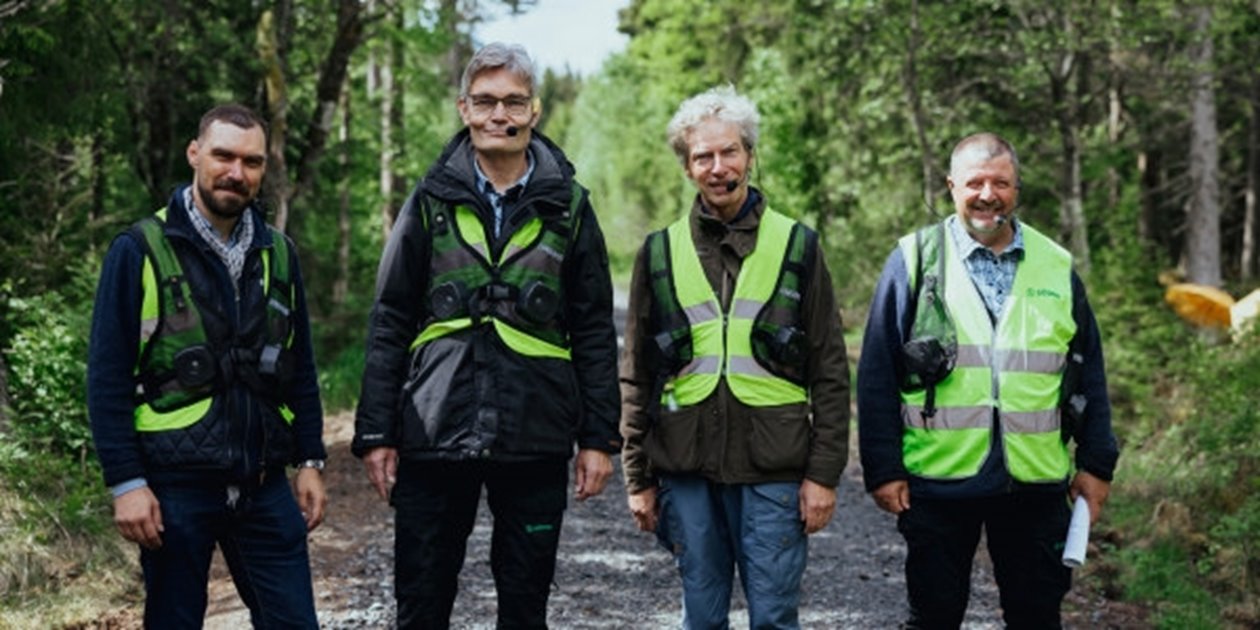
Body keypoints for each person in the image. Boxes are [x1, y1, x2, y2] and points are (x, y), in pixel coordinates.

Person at [352, 42, 621, 629]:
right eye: (486, 102)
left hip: (536, 430)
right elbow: (391, 317)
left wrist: (599, 436)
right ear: (464, 109)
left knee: (525, 602)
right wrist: (376, 432)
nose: (500, 114)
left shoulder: (570, 207)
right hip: (434, 427)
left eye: (514, 102)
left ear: (535, 111)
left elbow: (595, 327)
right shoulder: (428, 200)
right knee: (422, 599)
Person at [857, 132, 1120, 629]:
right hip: (937, 480)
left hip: (1035, 483)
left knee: (1037, 616)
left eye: (1000, 183)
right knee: (934, 616)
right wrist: (883, 468)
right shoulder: (913, 259)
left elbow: (1088, 370)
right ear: (951, 186)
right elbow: (876, 373)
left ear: (1016, 189)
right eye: (974, 182)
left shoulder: (1055, 265)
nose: (986, 194)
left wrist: (1096, 462)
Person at [87, 103, 327, 629]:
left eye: (251, 162)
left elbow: (300, 367)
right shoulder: (139, 250)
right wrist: (126, 483)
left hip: (263, 484)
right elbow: (106, 378)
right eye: (223, 156)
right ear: (195, 154)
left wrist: (310, 459)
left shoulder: (278, 255)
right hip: (175, 489)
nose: (236, 173)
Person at [619, 85, 851, 629]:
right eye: (703, 156)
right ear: (687, 167)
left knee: (772, 617)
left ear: (749, 155)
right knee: (700, 617)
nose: (718, 167)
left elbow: (832, 372)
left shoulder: (799, 246)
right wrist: (637, 477)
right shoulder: (658, 251)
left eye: (730, 152)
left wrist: (824, 475)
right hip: (686, 470)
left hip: (775, 470)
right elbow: (636, 374)